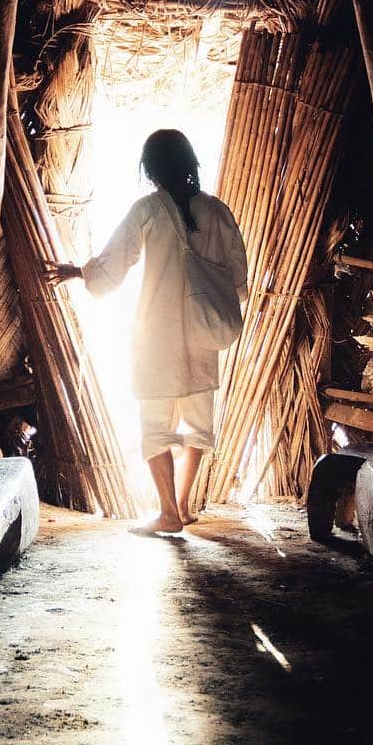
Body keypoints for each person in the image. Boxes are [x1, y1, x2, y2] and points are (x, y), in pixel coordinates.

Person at [45, 129, 247, 535]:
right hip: (203, 334)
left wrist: (79, 271)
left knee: (155, 427)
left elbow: (112, 267)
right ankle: (185, 505)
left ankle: (168, 512)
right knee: (198, 425)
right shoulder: (218, 211)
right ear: (191, 162)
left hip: (157, 335)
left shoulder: (147, 210)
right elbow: (239, 278)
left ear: (151, 169)